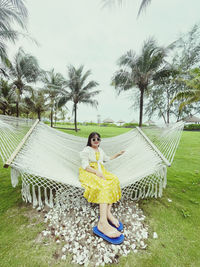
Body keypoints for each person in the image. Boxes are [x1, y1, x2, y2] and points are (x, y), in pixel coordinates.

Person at [79, 132, 125, 242]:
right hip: (89, 172)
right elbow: (85, 166)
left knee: (114, 180)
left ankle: (108, 213)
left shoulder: (100, 150)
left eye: (98, 139)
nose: (96, 141)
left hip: (100, 171)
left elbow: (107, 159)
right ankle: (102, 222)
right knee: (104, 186)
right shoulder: (87, 150)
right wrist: (96, 172)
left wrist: (118, 154)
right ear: (90, 140)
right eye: (93, 139)